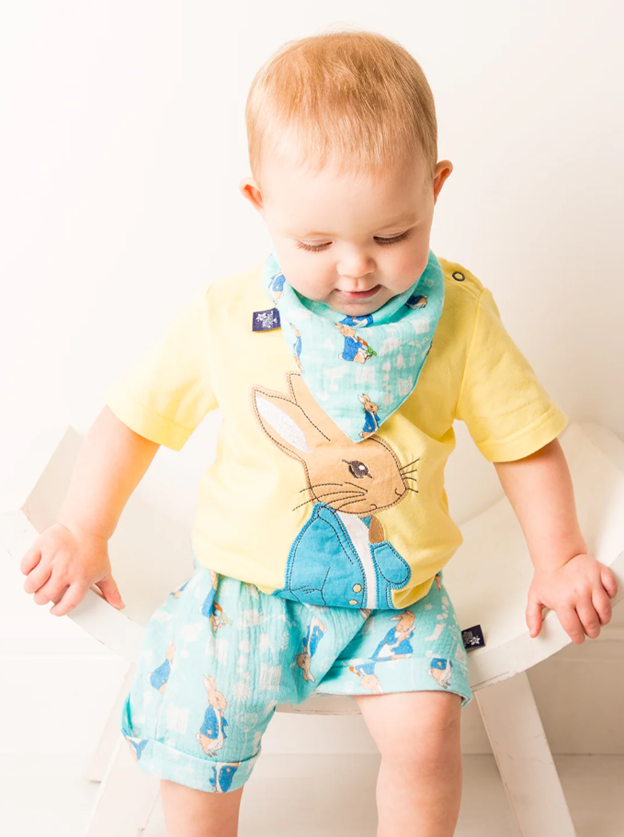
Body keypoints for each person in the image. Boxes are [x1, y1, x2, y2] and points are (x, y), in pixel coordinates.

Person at [19, 29, 618, 837]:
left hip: (395, 595)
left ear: (435, 189)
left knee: (427, 733)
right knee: (197, 729)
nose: (356, 268)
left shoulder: (460, 318)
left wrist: (561, 555)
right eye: (315, 243)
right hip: (245, 587)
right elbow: (135, 417)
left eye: (390, 235)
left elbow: (524, 442)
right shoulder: (230, 317)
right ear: (260, 203)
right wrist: (83, 528)